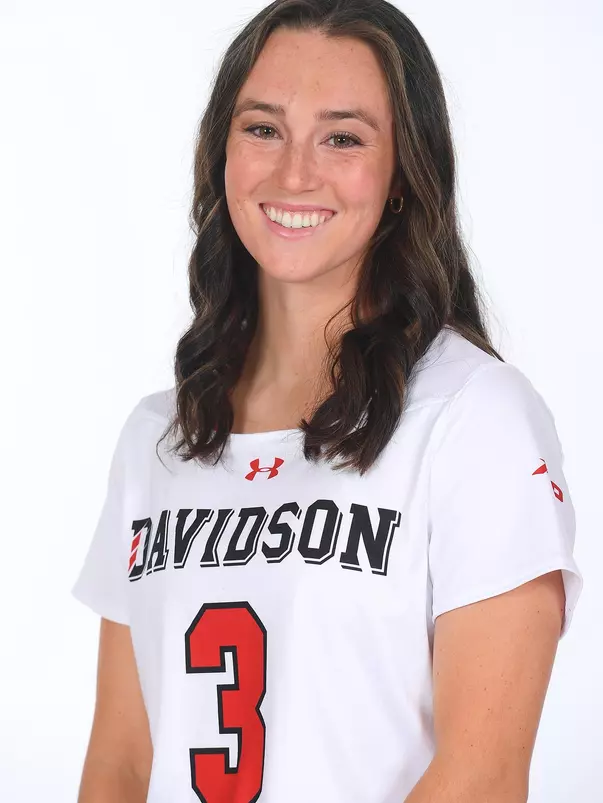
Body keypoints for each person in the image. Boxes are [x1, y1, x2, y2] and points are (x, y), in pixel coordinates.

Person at [72, 1, 583, 801]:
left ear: (404, 176)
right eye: (262, 129)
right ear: (220, 153)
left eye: (342, 137)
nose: (294, 174)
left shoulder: (473, 417)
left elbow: (482, 776)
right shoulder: (158, 438)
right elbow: (121, 761)